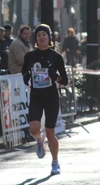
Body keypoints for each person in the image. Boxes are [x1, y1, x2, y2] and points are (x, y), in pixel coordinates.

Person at [22, 24, 68, 175]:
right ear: (36, 38)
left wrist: (55, 76)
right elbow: (24, 71)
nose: (41, 37)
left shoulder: (56, 56)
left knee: (50, 132)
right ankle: (39, 140)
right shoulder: (30, 56)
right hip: (36, 95)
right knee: (34, 128)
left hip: (51, 97)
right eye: (39, 35)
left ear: (49, 38)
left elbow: (65, 80)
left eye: (44, 35)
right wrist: (26, 77)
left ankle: (55, 162)